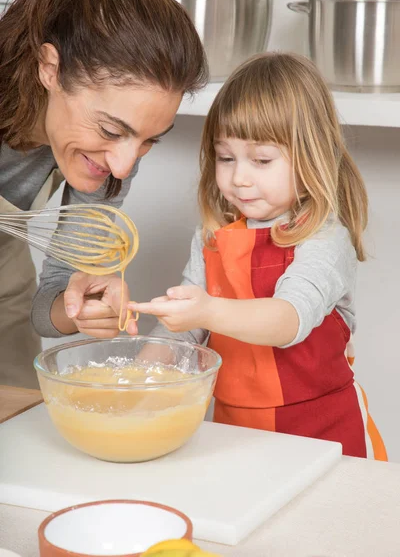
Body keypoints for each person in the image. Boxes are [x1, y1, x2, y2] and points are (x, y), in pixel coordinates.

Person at [130, 52, 387, 460]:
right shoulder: (213, 238)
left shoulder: (323, 240)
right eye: (225, 157)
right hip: (235, 430)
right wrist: (136, 379)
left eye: (262, 160)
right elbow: (182, 334)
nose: (239, 177)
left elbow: (288, 320)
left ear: (310, 156)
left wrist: (207, 311)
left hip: (323, 433)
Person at [0, 0, 207, 388]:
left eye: (151, 140)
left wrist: (79, 304)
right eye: (111, 130)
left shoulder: (109, 160)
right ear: (50, 69)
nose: (124, 165)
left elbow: (49, 304)